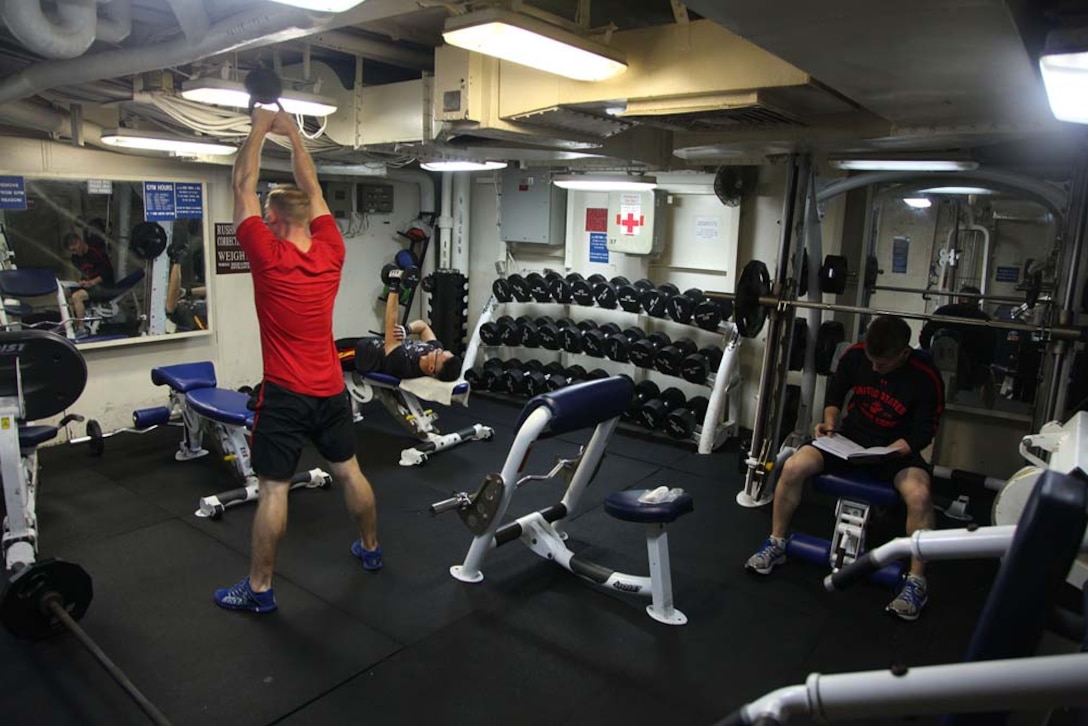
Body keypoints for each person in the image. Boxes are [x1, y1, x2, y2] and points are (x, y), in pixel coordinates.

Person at [214, 108, 381, 614]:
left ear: (272, 219)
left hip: (286, 394)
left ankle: (259, 590)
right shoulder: (331, 248)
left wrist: (261, 127)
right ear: (307, 216)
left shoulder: (266, 253)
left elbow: (243, 183)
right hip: (332, 388)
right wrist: (292, 133)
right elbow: (315, 188)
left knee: (272, 490)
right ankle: (371, 550)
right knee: (349, 472)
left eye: (265, 212)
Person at [745, 315, 944, 621]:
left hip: (897, 452)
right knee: (794, 466)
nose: (875, 369)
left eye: (883, 365)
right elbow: (836, 394)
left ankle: (916, 582)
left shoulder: (925, 375)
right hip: (850, 441)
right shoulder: (855, 355)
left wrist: (889, 452)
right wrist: (828, 422)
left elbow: (923, 432)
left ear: (904, 353)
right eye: (872, 362)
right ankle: (777, 542)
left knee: (919, 496)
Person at [352, 280, 463, 381]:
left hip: (359, 354)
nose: (438, 350)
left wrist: (394, 286)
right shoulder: (433, 348)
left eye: (439, 354)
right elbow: (423, 326)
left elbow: (391, 324)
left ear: (431, 367)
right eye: (442, 351)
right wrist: (407, 330)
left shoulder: (402, 364)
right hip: (367, 342)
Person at [919, 285, 996, 392]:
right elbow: (990, 349)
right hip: (969, 369)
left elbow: (925, 337)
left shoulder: (944, 311)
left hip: (937, 363)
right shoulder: (984, 319)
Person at [65, 231, 116, 337]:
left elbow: (107, 273)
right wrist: (83, 281)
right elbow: (87, 273)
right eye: (71, 251)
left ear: (79, 242)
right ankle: (73, 324)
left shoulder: (96, 252)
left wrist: (92, 282)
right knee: (66, 292)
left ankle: (81, 328)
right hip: (91, 286)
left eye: (74, 249)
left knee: (77, 297)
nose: (74, 253)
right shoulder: (75, 259)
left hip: (104, 286)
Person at [165, 240, 207, 332]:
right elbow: (174, 292)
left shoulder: (184, 310)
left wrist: (188, 292)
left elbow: (174, 293)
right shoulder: (182, 314)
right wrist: (177, 262)